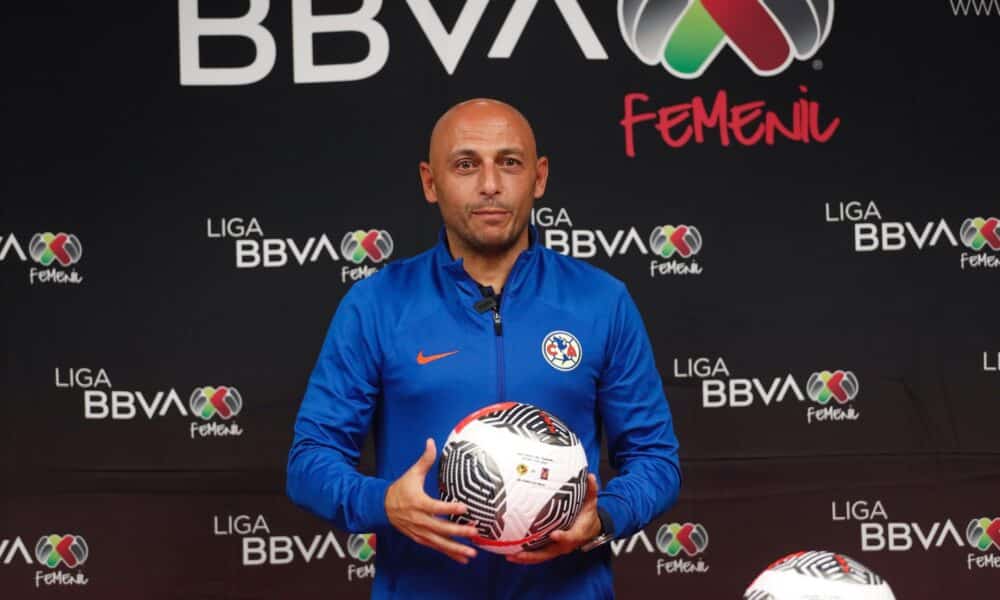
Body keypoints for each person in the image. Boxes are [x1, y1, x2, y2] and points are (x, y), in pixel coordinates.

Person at [287, 98, 681, 599]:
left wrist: (604, 515)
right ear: (431, 182)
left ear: (539, 178)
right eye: (466, 164)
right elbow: (309, 461)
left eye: (509, 163)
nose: (490, 184)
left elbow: (655, 459)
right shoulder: (377, 304)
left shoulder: (601, 301)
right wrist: (384, 502)